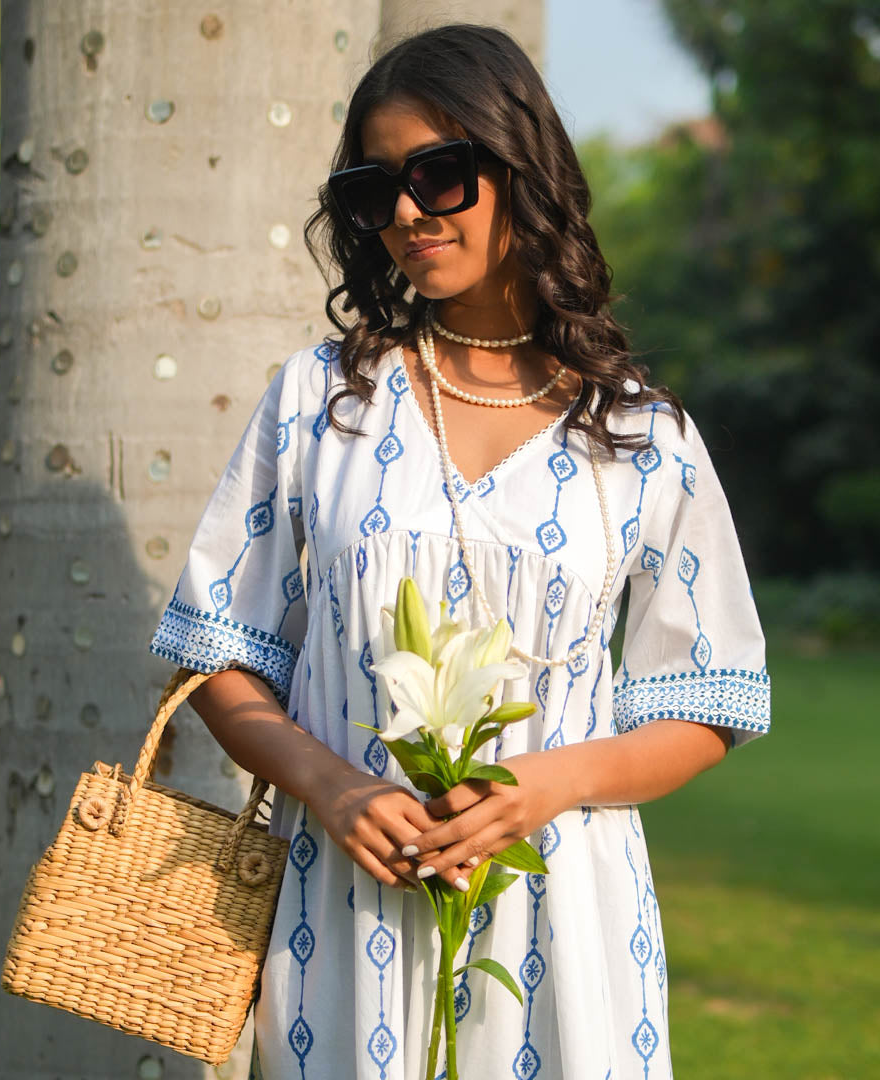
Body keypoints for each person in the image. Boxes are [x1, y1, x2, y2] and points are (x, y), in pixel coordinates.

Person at [148, 22, 770, 1080]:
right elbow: (217, 645)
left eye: (439, 173)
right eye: (372, 187)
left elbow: (713, 698)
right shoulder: (322, 401)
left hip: (565, 914)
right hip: (350, 913)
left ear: (521, 168)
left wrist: (547, 785)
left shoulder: (641, 437)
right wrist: (332, 787)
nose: (404, 211)